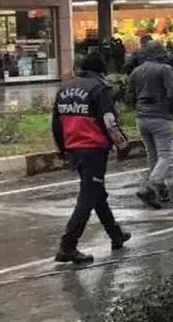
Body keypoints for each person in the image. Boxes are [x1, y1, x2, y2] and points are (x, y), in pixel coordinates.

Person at [51, 52, 131, 263]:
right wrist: (123, 144)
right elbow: (109, 121)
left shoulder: (65, 88)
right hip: (93, 148)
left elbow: (56, 123)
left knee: (96, 191)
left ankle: (115, 234)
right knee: (88, 195)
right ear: (101, 71)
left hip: (74, 147)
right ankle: (68, 245)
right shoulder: (100, 89)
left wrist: (62, 149)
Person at [128, 39, 173, 208]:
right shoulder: (165, 69)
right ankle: (151, 184)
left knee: (153, 155)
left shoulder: (136, 71)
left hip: (142, 118)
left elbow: (129, 96)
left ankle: (161, 190)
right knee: (166, 155)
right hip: (161, 116)